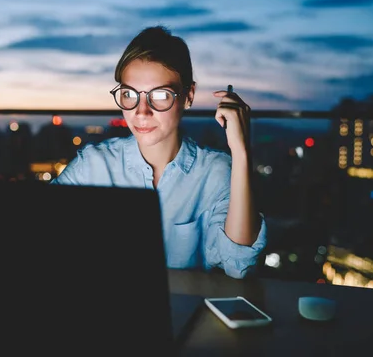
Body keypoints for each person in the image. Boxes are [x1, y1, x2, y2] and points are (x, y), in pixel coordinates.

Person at [51, 25, 267, 278]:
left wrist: (240, 150)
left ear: (188, 96)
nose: (141, 111)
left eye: (161, 95)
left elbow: (238, 264)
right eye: (129, 94)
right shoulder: (93, 165)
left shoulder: (215, 171)